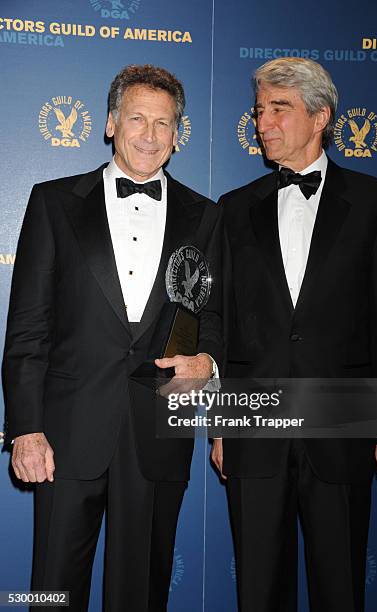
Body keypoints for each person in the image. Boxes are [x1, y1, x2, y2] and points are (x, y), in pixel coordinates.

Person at [3, 64, 222, 612]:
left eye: (164, 123)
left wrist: (210, 365)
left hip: (157, 435)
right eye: (137, 119)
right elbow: (28, 327)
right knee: (52, 590)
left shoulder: (207, 217)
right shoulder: (53, 203)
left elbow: (214, 316)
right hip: (66, 435)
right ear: (109, 123)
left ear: (178, 134)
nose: (149, 135)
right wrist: (25, 428)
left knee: (142, 592)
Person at [212, 57, 377, 612]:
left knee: (339, 585)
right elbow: (221, 324)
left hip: (344, 425)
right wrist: (221, 427)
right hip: (254, 423)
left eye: (279, 109)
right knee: (258, 587)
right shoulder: (233, 209)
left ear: (320, 116)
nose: (263, 122)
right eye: (259, 111)